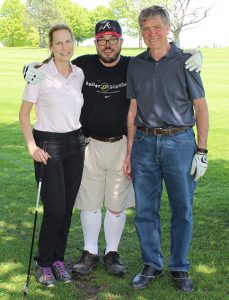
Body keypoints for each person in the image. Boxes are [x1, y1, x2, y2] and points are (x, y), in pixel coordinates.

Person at [23, 20, 202, 277]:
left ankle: (112, 253)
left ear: (121, 41)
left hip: (123, 144)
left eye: (113, 39)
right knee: (90, 202)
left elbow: (161, 54)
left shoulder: (134, 64)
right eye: (102, 40)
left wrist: (194, 53)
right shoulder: (82, 65)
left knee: (117, 203)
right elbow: (53, 64)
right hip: (87, 145)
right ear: (95, 43)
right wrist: (28, 67)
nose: (107, 45)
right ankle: (90, 252)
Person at [123, 5, 209, 292]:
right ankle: (151, 263)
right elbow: (132, 109)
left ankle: (179, 266)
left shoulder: (186, 61)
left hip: (180, 143)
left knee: (182, 208)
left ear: (168, 27)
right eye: (146, 28)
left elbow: (201, 107)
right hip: (144, 144)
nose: (152, 33)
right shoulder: (136, 64)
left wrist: (202, 150)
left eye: (157, 27)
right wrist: (129, 152)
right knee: (146, 209)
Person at [19, 24, 85, 287]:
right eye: (58, 43)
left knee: (67, 208)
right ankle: (43, 263)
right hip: (49, 145)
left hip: (75, 144)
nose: (64, 47)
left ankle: (58, 259)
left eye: (68, 42)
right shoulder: (39, 74)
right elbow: (24, 114)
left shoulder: (79, 72)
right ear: (50, 46)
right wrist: (31, 146)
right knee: (55, 209)